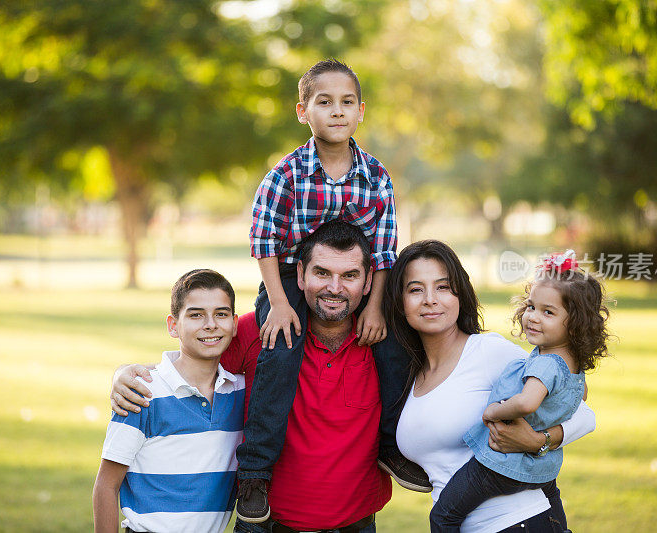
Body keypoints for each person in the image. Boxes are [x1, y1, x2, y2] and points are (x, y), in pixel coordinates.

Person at [111, 220, 395, 532]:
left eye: (350, 276)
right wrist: (125, 373)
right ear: (300, 274)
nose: (334, 288)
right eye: (322, 273)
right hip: (265, 524)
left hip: (356, 525)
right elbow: (192, 364)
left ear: (369, 281)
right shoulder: (261, 331)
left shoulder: (382, 339)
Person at [241, 58, 428, 521]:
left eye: (347, 102)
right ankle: (255, 473)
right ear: (303, 111)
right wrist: (280, 305)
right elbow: (263, 242)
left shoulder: (377, 176)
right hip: (288, 277)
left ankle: (391, 445)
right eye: (324, 103)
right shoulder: (285, 175)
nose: (337, 111)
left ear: (361, 110)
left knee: (390, 349)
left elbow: (385, 249)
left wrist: (377, 308)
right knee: (281, 352)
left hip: (358, 279)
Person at [385, 241, 598, 532]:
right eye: (415, 289)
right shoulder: (407, 376)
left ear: (460, 294)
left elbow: (582, 410)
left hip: (520, 521)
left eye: (443, 287)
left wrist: (540, 440)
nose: (430, 299)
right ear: (399, 301)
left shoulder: (487, 352)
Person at [92, 269, 245, 533]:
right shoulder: (141, 393)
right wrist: (121, 373)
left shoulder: (240, 391)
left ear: (234, 322)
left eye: (221, 314)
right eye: (196, 315)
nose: (210, 324)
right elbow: (106, 485)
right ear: (173, 326)